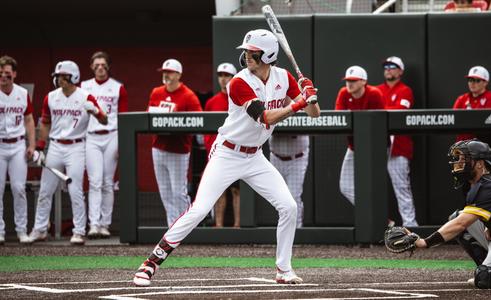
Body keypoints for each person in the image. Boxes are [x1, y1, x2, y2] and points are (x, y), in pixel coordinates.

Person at [133, 29, 320, 287]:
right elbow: (265, 118)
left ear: (267, 55)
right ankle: (151, 262)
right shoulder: (239, 83)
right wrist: (299, 102)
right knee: (199, 209)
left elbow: (315, 114)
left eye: (252, 53)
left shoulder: (283, 78)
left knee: (288, 206)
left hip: (255, 157)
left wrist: (308, 94)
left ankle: (284, 269)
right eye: (246, 52)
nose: (246, 57)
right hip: (228, 153)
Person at [410, 139, 491, 289]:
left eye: (464, 159)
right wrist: (490, 225)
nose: (459, 163)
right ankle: (490, 264)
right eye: (459, 159)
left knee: (486, 277)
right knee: (456, 217)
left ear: (480, 164)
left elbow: (461, 223)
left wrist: (425, 242)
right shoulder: (490, 179)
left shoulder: (489, 187)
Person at [28, 60, 107, 245]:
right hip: (55, 145)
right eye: (57, 77)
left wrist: (95, 111)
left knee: (75, 189)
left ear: (74, 77)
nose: (59, 80)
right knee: (45, 189)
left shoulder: (85, 96)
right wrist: (40, 147)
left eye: (63, 77)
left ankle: (79, 231)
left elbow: (104, 120)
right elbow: (45, 123)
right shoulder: (51, 97)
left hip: (77, 146)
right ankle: (39, 229)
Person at [147, 58, 203, 227]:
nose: (166, 75)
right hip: (158, 147)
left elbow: (200, 121)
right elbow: (149, 116)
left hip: (178, 150)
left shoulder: (189, 96)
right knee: (165, 192)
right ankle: (172, 227)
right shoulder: (156, 92)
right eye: (164, 72)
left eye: (170, 72)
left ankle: (186, 226)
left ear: (179, 74)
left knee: (178, 192)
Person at [81, 51, 128, 239]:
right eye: (97, 64)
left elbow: (123, 117)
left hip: (112, 135)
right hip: (91, 136)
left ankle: (104, 224)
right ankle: (93, 224)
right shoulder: (84, 87)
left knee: (108, 182)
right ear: (92, 67)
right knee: (94, 181)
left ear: (108, 66)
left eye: (103, 64)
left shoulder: (118, 88)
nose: (100, 67)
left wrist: (122, 142)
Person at [377, 56, 418, 227]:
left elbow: (400, 112)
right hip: (377, 147)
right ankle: (380, 223)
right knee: (371, 188)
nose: (388, 69)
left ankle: (411, 227)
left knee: (402, 188)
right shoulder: (377, 90)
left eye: (392, 67)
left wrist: (381, 111)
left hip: (398, 148)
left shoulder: (405, 90)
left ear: (400, 71)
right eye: (386, 66)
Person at [336, 65, 384, 205]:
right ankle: (382, 219)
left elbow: (380, 125)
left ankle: (381, 220)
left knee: (374, 186)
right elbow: (339, 120)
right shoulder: (344, 93)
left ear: (363, 81)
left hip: (376, 148)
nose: (349, 84)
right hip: (354, 147)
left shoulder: (374, 93)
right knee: (345, 186)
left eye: (354, 80)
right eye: (347, 80)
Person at [0, 55, 35, 244]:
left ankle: (22, 231)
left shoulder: (21, 93)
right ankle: (0, 231)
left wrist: (31, 144)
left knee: (18, 188)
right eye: (0, 74)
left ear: (14, 74)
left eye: (7, 74)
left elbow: (29, 119)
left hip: (17, 144)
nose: (4, 78)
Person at [204, 62, 241, 228]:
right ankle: (218, 226)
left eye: (227, 75)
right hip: (218, 153)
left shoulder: (240, 97)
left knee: (236, 190)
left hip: (237, 153)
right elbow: (206, 131)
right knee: (219, 191)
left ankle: (237, 226)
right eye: (221, 75)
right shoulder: (212, 102)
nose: (223, 79)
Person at [453, 66, 491, 142]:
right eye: (470, 80)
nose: (472, 83)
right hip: (462, 148)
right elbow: (453, 120)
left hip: (483, 147)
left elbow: (487, 123)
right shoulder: (461, 99)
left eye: (477, 80)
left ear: (485, 82)